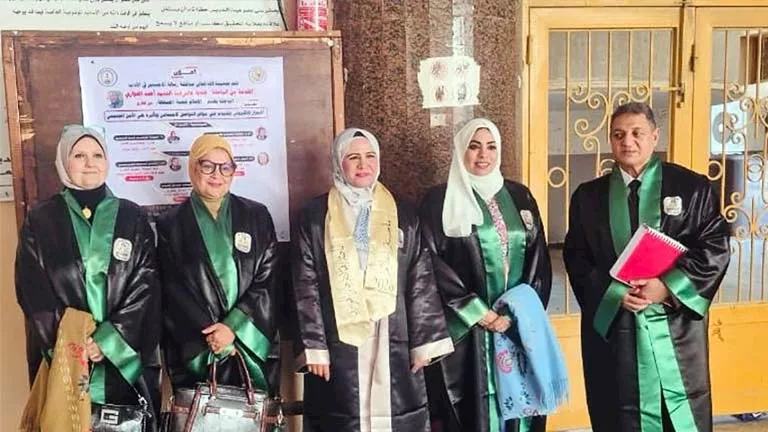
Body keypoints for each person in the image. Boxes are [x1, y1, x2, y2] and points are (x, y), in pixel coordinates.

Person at [563, 102, 730, 432]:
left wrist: (667, 287)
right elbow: (576, 257)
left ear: (655, 136)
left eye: (637, 133)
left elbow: (715, 247)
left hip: (675, 326)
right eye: (618, 134)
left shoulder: (692, 188)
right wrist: (613, 292)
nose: (628, 141)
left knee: (678, 411)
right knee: (617, 407)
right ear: (610, 140)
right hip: (617, 327)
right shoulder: (588, 197)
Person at [291, 127, 454, 431]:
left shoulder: (404, 214)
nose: (363, 164)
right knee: (343, 415)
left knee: (395, 411)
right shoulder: (314, 216)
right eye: (353, 157)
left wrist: (424, 342)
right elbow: (305, 283)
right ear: (339, 162)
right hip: (339, 331)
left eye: (370, 156)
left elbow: (420, 278)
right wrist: (314, 345)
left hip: (392, 328)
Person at [15, 125, 161, 421]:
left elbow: (146, 284)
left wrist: (108, 340)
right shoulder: (41, 220)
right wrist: (75, 343)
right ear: (63, 161)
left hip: (125, 359)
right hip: (66, 360)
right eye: (79, 155)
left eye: (97, 155)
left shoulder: (133, 217)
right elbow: (32, 291)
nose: (90, 163)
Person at [420, 118, 553, 432]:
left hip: (515, 323)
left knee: (522, 405)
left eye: (491, 147)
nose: (484, 155)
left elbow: (539, 258)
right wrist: (479, 312)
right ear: (460, 150)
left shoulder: (519, 196)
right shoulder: (439, 201)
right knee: (473, 410)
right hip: (468, 329)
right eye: (474, 147)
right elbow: (431, 263)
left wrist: (519, 312)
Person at [158, 134, 279, 392]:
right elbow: (173, 290)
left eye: (226, 167)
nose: (217, 175)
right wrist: (214, 336)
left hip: (249, 340)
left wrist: (233, 327)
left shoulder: (257, 216)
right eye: (207, 166)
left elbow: (267, 278)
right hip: (200, 347)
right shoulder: (171, 224)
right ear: (193, 168)